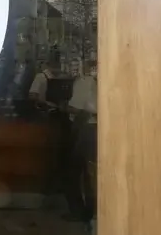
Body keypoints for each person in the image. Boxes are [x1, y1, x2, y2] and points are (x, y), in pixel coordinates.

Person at [63, 60, 98, 223]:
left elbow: (75, 108)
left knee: (76, 172)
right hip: (97, 130)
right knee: (90, 173)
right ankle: (92, 212)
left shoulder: (85, 82)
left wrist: (63, 107)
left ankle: (81, 212)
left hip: (86, 129)